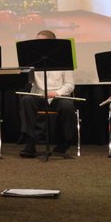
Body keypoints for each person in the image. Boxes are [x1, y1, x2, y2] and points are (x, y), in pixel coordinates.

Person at [19, 29, 76, 158]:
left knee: (67, 106)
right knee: (26, 100)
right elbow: (29, 81)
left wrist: (56, 92)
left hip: (58, 96)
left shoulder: (63, 60)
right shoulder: (33, 60)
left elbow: (69, 85)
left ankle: (64, 143)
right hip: (39, 95)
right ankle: (30, 143)